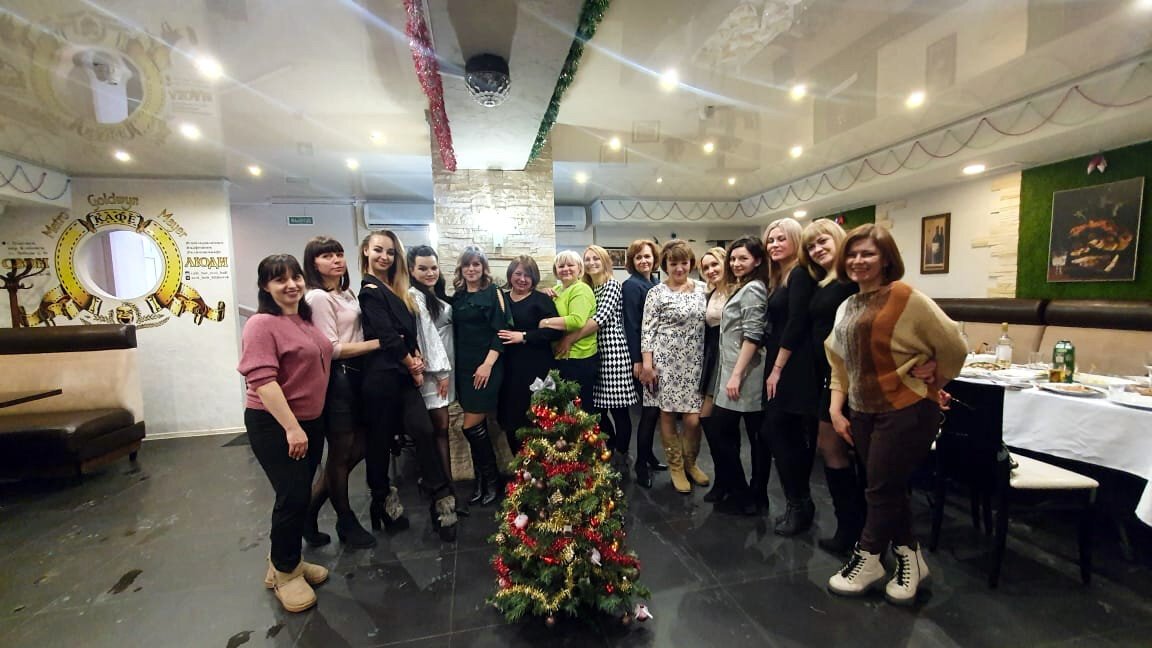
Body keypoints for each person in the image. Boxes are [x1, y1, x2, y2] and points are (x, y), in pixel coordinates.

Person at [825, 224, 966, 605]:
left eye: (868, 254)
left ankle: (868, 558)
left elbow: (954, 343)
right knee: (887, 484)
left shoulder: (906, 297)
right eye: (852, 254)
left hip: (907, 406)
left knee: (880, 487)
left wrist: (937, 374)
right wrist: (836, 407)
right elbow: (839, 360)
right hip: (862, 408)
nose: (858, 261)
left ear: (886, 259)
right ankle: (910, 559)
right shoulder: (847, 305)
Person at [237, 254, 332, 613]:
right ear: (265, 286)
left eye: (296, 277)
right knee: (292, 496)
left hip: (309, 421)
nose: (291, 285)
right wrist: (292, 428)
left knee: (298, 494)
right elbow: (262, 380)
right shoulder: (261, 324)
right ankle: (286, 573)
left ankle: (284, 561)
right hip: (276, 423)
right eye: (280, 280)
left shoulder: (302, 319)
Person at [359, 230, 457, 542]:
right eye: (378, 250)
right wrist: (411, 361)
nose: (384, 257)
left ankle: (441, 501)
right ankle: (383, 504)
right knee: (379, 443)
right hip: (380, 378)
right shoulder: (369, 290)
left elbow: (409, 333)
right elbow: (388, 336)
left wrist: (413, 359)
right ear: (366, 251)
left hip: (403, 377)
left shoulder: (397, 289)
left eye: (390, 252)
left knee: (424, 432)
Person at [299, 237, 377, 550]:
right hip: (339, 380)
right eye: (327, 256)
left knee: (358, 447)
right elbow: (331, 349)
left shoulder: (345, 292)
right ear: (313, 263)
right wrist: (380, 343)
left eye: (339, 254)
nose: (336, 260)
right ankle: (346, 520)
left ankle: (309, 510)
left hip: (359, 376)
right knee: (341, 453)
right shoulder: (317, 297)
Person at [800, 220, 862, 554]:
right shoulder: (825, 281)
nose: (817, 249)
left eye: (822, 241)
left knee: (839, 449)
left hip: (851, 376)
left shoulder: (852, 280)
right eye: (811, 246)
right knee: (831, 448)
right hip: (829, 375)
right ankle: (852, 527)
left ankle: (857, 530)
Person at [760, 217, 820, 535]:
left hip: (794, 364)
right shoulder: (781, 276)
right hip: (781, 360)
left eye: (781, 238)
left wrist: (777, 369)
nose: (774, 245)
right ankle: (798, 503)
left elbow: (796, 323)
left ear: (796, 240)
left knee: (783, 433)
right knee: (778, 433)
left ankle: (800, 504)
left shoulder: (799, 274)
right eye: (770, 240)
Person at [555, 245, 637, 471]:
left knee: (618, 409)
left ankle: (622, 454)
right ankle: (609, 446)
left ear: (605, 261)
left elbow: (598, 320)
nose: (591, 263)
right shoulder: (589, 287)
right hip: (594, 353)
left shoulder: (612, 285)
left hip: (613, 353)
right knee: (597, 408)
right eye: (588, 259)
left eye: (596, 259)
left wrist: (569, 339)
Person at [703, 237, 769, 515]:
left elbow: (753, 335)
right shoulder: (742, 286)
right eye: (733, 258)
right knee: (728, 431)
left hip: (746, 374)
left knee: (737, 433)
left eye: (743, 258)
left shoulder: (753, 289)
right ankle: (745, 492)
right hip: (730, 369)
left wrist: (736, 375)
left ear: (757, 260)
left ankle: (749, 494)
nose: (736, 263)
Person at [640, 239, 708, 494]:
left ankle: (691, 463)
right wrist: (648, 365)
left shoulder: (703, 289)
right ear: (665, 265)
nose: (679, 268)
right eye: (673, 263)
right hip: (665, 363)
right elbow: (648, 330)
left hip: (696, 362)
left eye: (684, 262)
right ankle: (676, 467)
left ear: (691, 264)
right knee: (667, 414)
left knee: (693, 419)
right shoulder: (656, 293)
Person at [452, 246, 509, 507]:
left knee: (470, 426)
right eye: (467, 265)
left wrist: (487, 364)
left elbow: (501, 331)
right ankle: (481, 481)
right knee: (477, 427)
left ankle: (493, 479)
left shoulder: (493, 293)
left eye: (476, 264)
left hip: (487, 366)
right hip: (463, 369)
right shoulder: (458, 296)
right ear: (461, 269)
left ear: (483, 267)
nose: (471, 269)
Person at [497, 256, 563, 453]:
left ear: (534, 278)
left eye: (528, 275)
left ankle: (539, 467)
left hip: (537, 369)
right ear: (510, 275)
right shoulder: (501, 300)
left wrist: (524, 336)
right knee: (511, 421)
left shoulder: (541, 300)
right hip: (508, 371)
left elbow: (556, 332)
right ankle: (520, 465)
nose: (522, 279)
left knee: (539, 420)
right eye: (518, 274)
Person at [407, 245, 455, 491]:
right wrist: (440, 373)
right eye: (423, 268)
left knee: (439, 429)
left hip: (443, 369)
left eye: (433, 267)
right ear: (411, 270)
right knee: (439, 429)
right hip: (432, 373)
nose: (430, 273)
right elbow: (424, 336)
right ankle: (445, 486)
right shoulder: (413, 295)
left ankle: (439, 482)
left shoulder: (433, 294)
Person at [621, 239, 667, 488]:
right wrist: (637, 360)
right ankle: (640, 464)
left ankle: (648, 455)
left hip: (659, 354)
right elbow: (631, 324)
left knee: (655, 410)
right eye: (638, 257)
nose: (643, 261)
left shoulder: (656, 283)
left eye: (647, 256)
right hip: (643, 357)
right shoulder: (632, 286)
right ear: (632, 261)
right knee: (648, 412)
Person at [540, 250, 597, 411]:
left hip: (579, 358)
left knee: (581, 411)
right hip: (561, 357)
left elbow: (577, 320)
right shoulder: (558, 289)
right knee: (564, 410)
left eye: (570, 265)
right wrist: (543, 294)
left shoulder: (581, 289)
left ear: (579, 268)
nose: (566, 269)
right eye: (561, 266)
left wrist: (545, 322)